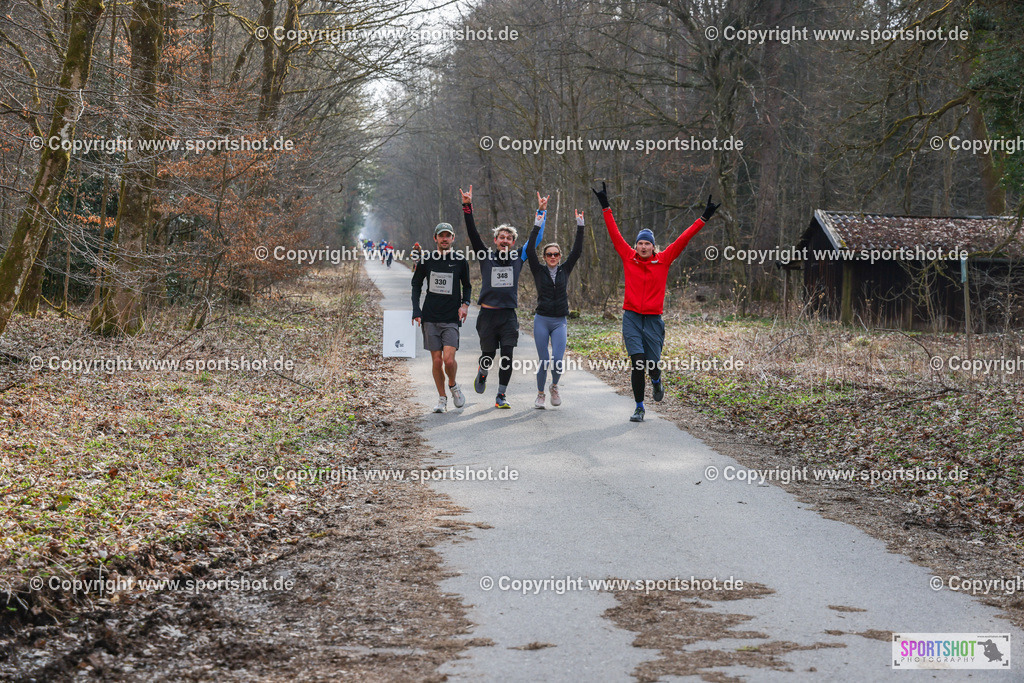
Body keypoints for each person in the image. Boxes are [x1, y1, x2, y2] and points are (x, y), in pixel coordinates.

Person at [594, 182, 719, 422]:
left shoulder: (663, 260)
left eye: (647, 244)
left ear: (653, 246)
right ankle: (640, 407)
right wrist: (605, 205)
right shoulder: (628, 256)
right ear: (636, 245)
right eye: (640, 243)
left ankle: (657, 380)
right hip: (631, 315)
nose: (642, 247)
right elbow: (614, 233)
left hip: (653, 319)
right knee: (637, 362)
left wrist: (703, 218)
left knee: (652, 364)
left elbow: (683, 239)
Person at [459, 185, 542, 409]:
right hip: (487, 315)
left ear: (513, 243)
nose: (504, 240)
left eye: (509, 238)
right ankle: (483, 371)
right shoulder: (485, 255)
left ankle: (501, 395)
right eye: (501, 237)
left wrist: (540, 215)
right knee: (488, 354)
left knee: (507, 355)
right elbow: (473, 233)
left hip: (508, 316)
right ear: (495, 241)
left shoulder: (518, 257)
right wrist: (467, 206)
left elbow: (534, 240)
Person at [525, 196, 585, 408]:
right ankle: (540, 394)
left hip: (559, 320)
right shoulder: (538, 269)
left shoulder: (565, 269)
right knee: (544, 361)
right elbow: (530, 249)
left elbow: (577, 251)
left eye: (556, 254)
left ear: (560, 256)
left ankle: (555, 387)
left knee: (557, 361)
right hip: (541, 319)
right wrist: (538, 222)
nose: (552, 256)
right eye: (549, 254)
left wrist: (580, 226)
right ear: (544, 256)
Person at [412, 223, 471, 413]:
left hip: (451, 317)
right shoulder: (426, 260)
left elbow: (467, 286)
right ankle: (442, 397)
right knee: (436, 361)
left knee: (449, 361)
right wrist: (416, 310)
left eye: (448, 235)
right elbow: (416, 285)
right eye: (441, 236)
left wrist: (465, 305)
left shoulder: (460, 261)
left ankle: (453, 385)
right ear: (435, 238)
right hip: (430, 316)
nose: (444, 239)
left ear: (453, 238)